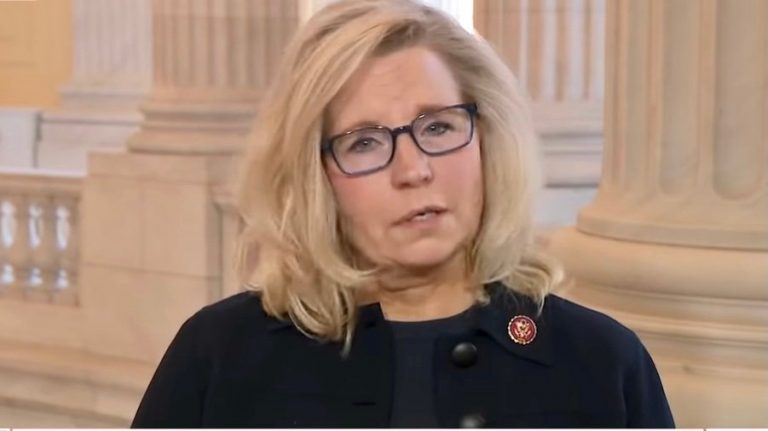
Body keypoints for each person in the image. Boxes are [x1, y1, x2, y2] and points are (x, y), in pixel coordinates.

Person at [131, 0, 675, 427]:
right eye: (364, 142)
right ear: (315, 175)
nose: (413, 170)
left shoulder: (602, 361)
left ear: (487, 142)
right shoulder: (221, 355)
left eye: (437, 127)